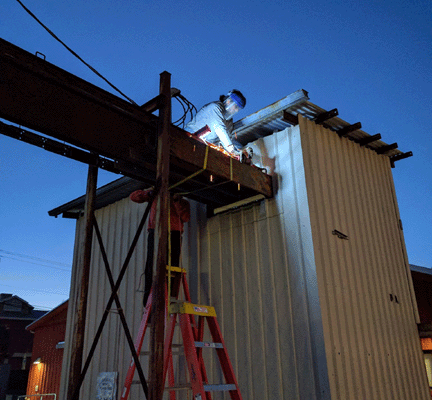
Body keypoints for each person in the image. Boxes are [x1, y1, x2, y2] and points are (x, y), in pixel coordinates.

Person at [130, 189, 190, 306]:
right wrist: (149, 193)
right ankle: (149, 299)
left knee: (172, 266)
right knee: (152, 265)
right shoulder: (156, 197)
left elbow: (185, 218)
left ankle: (169, 298)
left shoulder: (182, 202)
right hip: (156, 231)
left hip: (174, 233)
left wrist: (176, 201)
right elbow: (133, 197)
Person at [185, 90, 252, 161]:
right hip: (189, 135)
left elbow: (228, 139)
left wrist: (241, 149)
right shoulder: (215, 108)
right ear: (228, 101)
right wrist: (232, 151)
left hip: (203, 144)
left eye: (238, 109)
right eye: (235, 107)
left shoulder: (229, 122)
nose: (236, 110)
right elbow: (220, 129)